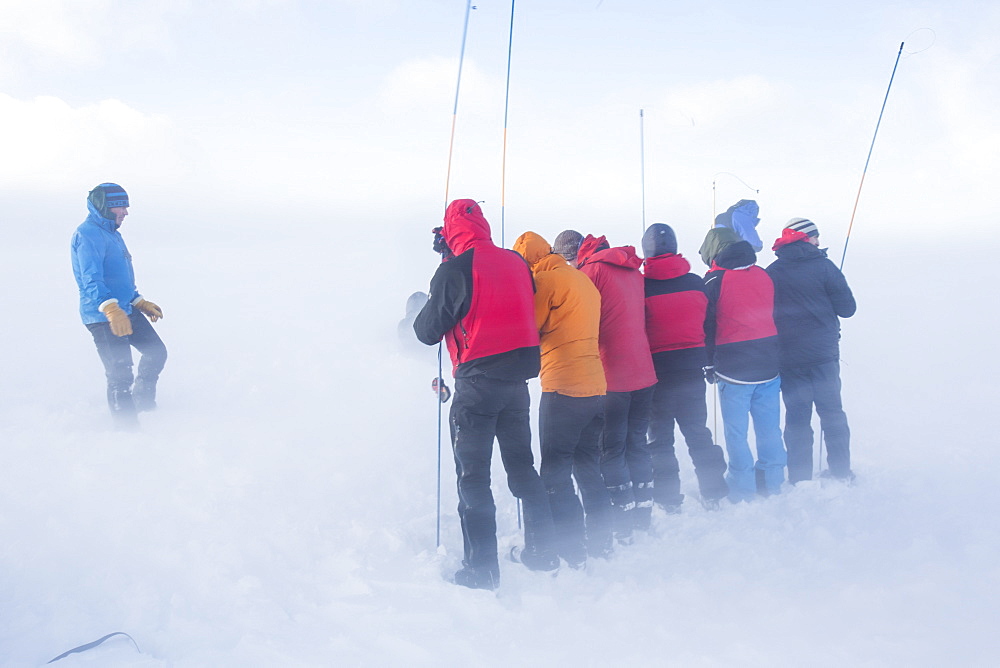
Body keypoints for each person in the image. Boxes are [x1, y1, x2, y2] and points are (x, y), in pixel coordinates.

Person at [413, 199, 557, 590]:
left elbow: (426, 331)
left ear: (449, 231)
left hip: (477, 386)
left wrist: (446, 265)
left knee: (473, 478)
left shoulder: (456, 270)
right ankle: (543, 552)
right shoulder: (516, 262)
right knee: (523, 469)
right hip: (517, 385)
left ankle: (482, 569)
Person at [513, 231, 611, 565]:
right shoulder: (581, 280)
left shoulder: (547, 281)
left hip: (563, 387)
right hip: (595, 385)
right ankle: (603, 542)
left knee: (554, 474)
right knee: (588, 468)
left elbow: (531, 326)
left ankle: (572, 549)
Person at [573, 233, 658, 541]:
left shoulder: (591, 272)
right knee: (637, 443)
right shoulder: (634, 270)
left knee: (611, 449)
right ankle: (643, 515)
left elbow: (583, 324)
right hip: (644, 371)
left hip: (612, 375)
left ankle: (622, 520)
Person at [641, 223, 728, 510]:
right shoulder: (695, 283)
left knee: (660, 440)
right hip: (692, 371)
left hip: (657, 375)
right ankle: (714, 492)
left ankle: (668, 500)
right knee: (698, 432)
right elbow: (710, 322)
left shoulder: (641, 287)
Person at [767, 218, 857, 483]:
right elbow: (848, 309)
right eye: (816, 237)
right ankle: (841, 472)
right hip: (824, 356)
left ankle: (799, 476)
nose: (819, 241)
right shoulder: (825, 267)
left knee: (796, 418)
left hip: (789, 358)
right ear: (808, 238)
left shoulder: (772, 272)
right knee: (832, 414)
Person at [71, 183, 167, 429]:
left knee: (156, 352)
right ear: (105, 207)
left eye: (125, 206)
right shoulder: (87, 234)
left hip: (126, 308)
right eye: (120, 206)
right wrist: (112, 309)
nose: (125, 211)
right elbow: (90, 279)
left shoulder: (113, 233)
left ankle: (144, 405)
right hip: (103, 315)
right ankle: (126, 429)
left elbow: (119, 277)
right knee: (120, 372)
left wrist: (139, 301)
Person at [702, 227, 785, 502]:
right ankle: (772, 480)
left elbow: (708, 326)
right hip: (769, 362)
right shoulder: (764, 274)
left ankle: (742, 485)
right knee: (770, 427)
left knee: (736, 433)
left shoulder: (714, 280)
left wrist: (708, 363)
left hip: (733, 368)